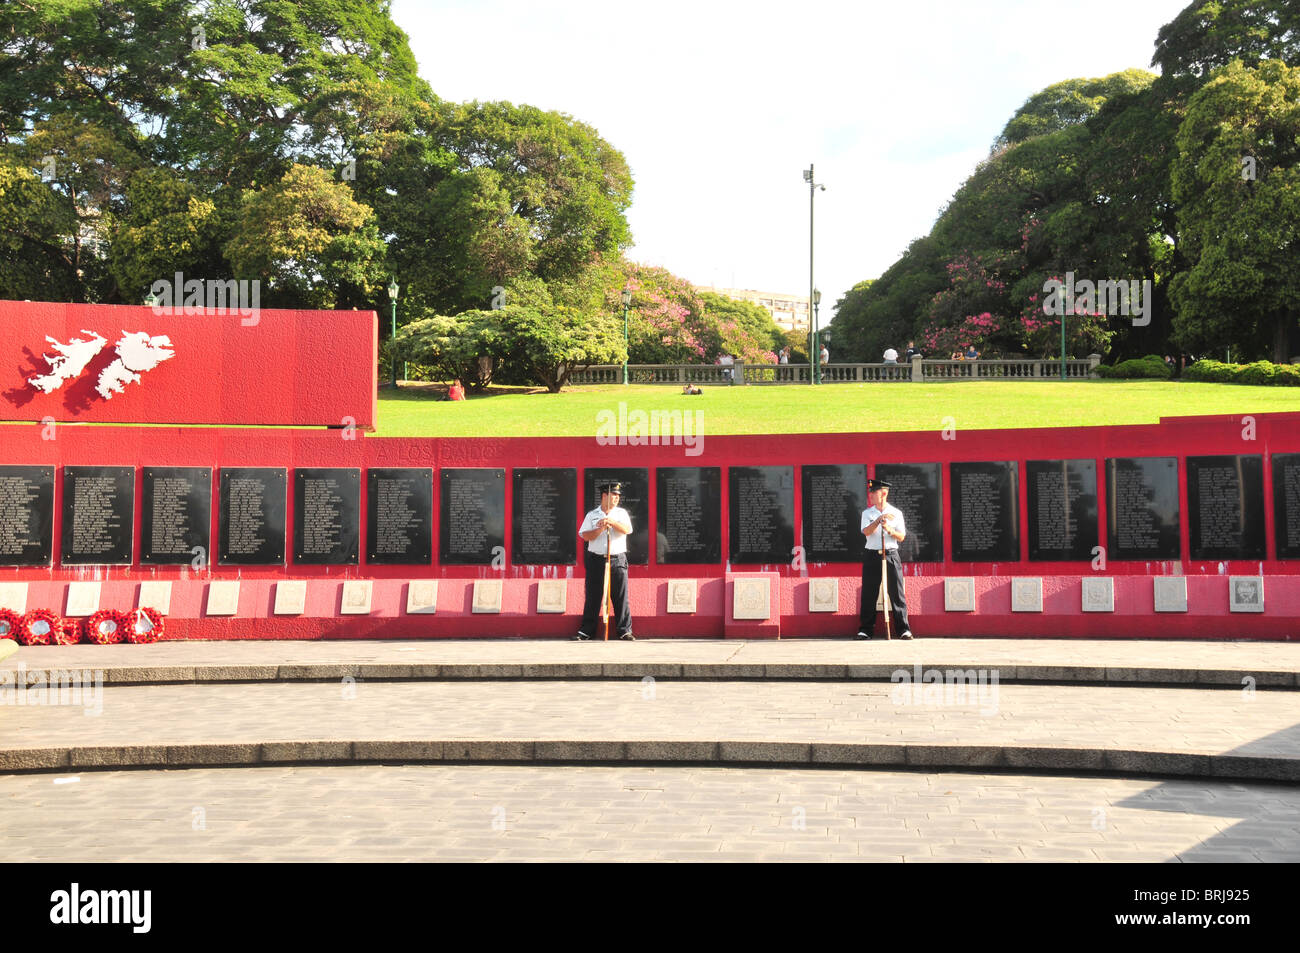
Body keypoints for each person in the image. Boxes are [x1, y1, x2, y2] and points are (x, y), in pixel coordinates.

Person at [575, 481, 634, 641]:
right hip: (596, 560)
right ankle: (587, 631)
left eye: (618, 496)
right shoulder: (592, 515)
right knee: (593, 596)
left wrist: (612, 522)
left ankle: (624, 630)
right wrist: (601, 527)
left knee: (620, 596)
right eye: (613, 495)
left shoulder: (621, 514)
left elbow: (627, 530)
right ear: (604, 496)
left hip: (617, 559)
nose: (616, 498)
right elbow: (585, 536)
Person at [858, 478, 912, 640]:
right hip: (872, 554)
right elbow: (866, 531)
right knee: (869, 593)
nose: (871, 495)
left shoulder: (896, 513)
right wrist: (878, 521)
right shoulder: (867, 513)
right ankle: (865, 630)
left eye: (874, 493)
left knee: (896, 593)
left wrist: (889, 529)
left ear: (884, 494)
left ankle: (903, 629)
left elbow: (901, 536)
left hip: (890, 554)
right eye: (871, 493)